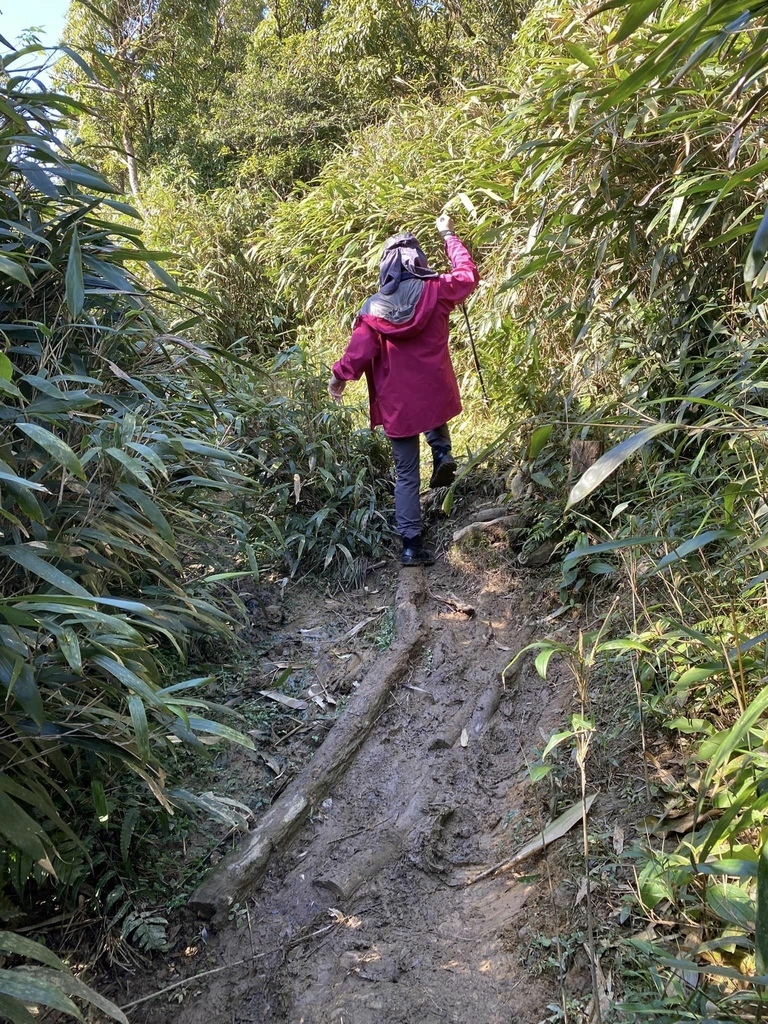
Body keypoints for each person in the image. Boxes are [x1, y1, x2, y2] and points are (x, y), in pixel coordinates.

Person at [327, 213, 480, 567]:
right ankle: (442, 454)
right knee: (432, 406)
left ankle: (411, 545)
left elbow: (359, 354)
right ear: (418, 259)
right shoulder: (437, 290)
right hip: (434, 392)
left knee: (406, 474)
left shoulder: (372, 309)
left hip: (398, 405)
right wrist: (449, 235)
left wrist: (338, 376)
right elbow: (467, 275)